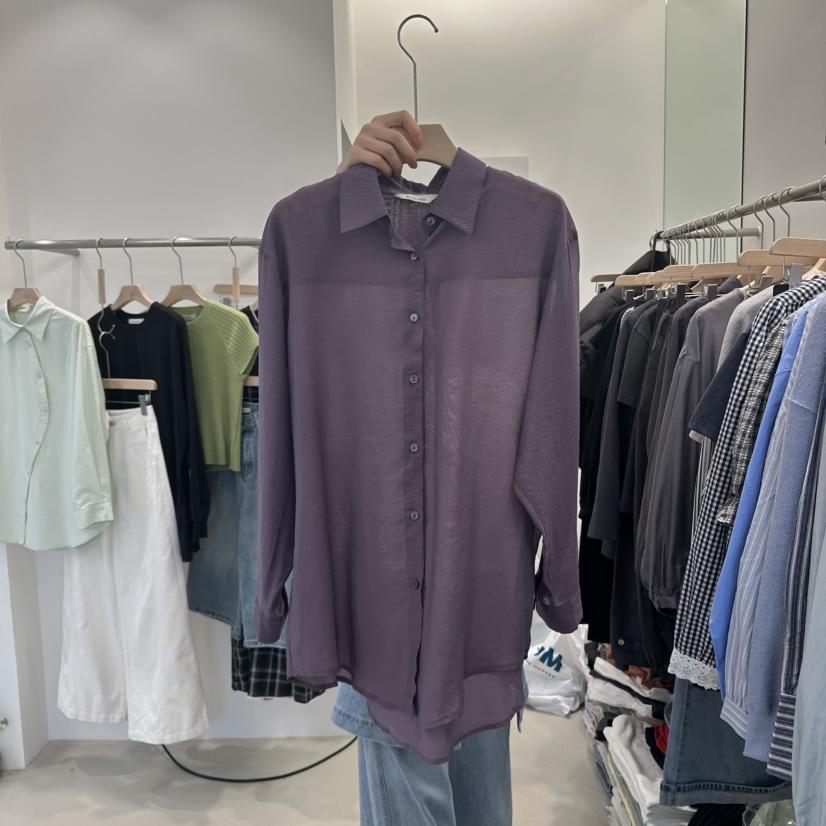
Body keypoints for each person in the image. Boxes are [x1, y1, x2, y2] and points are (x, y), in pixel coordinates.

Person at [330, 110, 515, 826]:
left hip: (474, 590)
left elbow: (545, 435)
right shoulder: (314, 242)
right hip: (390, 596)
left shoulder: (528, 234)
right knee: (442, 762)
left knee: (467, 767)